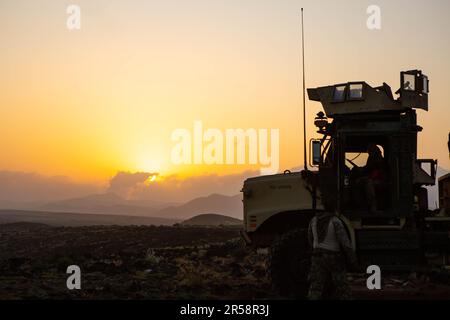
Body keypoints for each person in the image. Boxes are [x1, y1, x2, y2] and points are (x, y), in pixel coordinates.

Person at [307, 197, 357, 300]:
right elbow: (345, 243)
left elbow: (310, 238)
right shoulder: (335, 221)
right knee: (342, 286)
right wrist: (353, 259)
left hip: (317, 257)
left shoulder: (313, 220)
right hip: (334, 257)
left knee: (315, 287)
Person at [358, 144, 386, 213]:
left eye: (370, 151)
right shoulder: (371, 159)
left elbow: (375, 174)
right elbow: (368, 169)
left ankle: (373, 206)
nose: (369, 152)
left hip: (379, 181)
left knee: (369, 183)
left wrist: (363, 177)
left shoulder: (379, 160)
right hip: (372, 178)